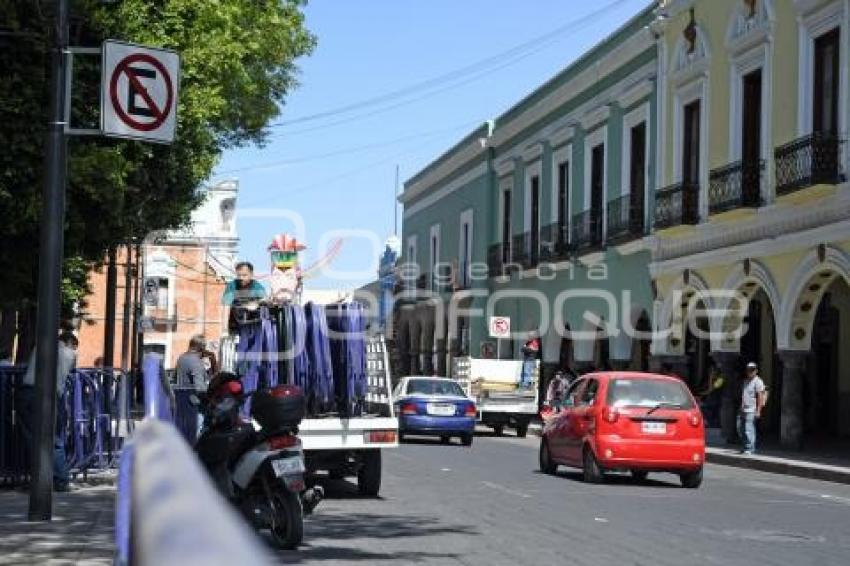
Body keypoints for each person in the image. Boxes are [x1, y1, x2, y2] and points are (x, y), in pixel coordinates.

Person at [19, 332, 78, 491]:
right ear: (68, 342)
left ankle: (37, 479)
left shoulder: (40, 346)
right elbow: (71, 369)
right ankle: (60, 479)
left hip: (28, 393)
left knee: (31, 439)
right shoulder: (70, 354)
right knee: (54, 439)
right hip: (51, 396)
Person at [222, 261, 268, 332]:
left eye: (244, 275)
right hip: (236, 325)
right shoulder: (231, 286)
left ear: (251, 274)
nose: (241, 278)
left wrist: (256, 304)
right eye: (239, 275)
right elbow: (226, 306)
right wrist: (224, 329)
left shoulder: (257, 286)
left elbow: (266, 299)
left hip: (254, 326)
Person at [738, 361, 766, 455]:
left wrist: (758, 411)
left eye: (752, 370)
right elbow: (744, 395)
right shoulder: (746, 381)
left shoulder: (758, 382)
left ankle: (750, 448)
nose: (750, 371)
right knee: (741, 428)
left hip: (752, 409)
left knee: (748, 428)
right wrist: (741, 406)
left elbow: (760, 396)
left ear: (756, 371)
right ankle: (745, 446)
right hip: (743, 409)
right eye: (749, 370)